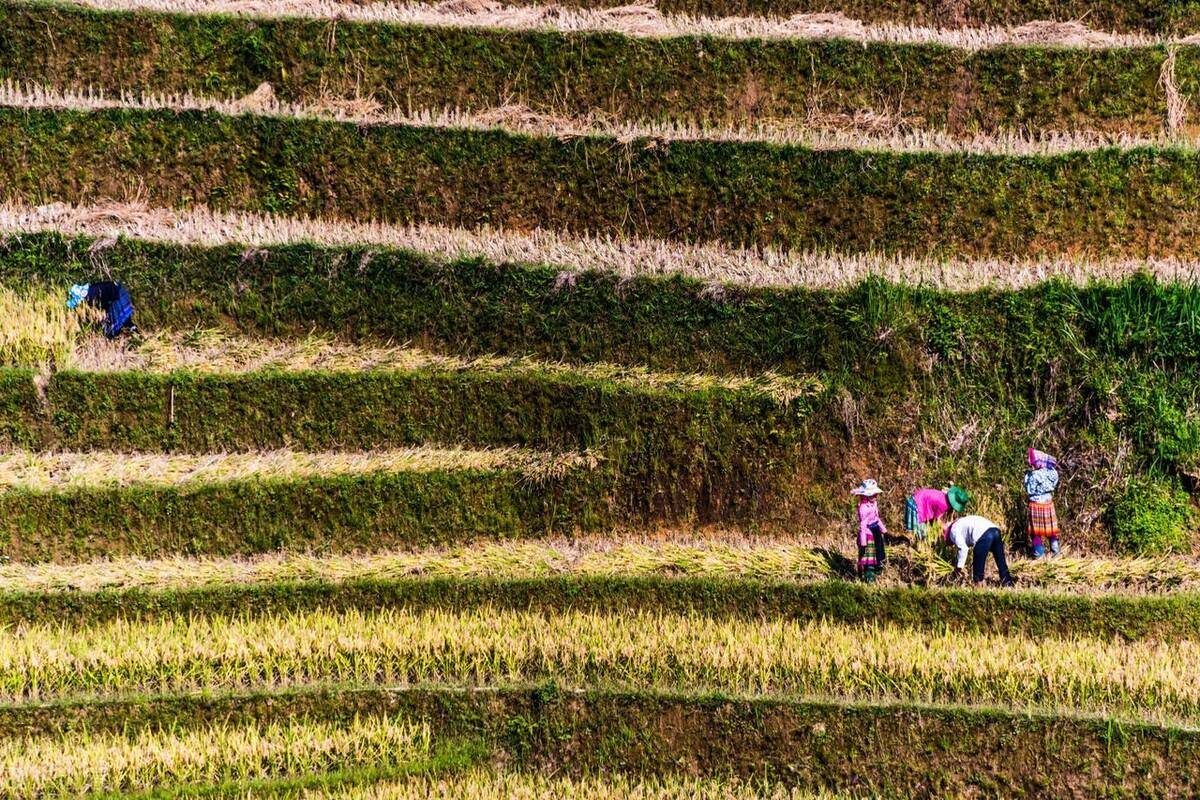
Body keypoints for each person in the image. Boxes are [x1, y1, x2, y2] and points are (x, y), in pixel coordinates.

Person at [944, 514, 1015, 586]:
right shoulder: (960, 523)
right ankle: (1008, 583)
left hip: (984, 534)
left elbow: (963, 548)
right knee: (1001, 561)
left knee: (978, 566)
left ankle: (979, 588)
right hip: (995, 530)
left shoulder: (953, 531)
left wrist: (958, 568)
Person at [67, 281, 137, 338]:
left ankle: (132, 336)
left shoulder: (90, 296)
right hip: (117, 293)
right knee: (122, 319)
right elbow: (104, 304)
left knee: (118, 322)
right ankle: (134, 334)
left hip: (118, 294)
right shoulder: (90, 292)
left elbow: (103, 305)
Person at [1025, 447, 1060, 558]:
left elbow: (1029, 490)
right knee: (1052, 530)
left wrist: (1028, 476)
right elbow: (1054, 483)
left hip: (1036, 506)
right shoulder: (1052, 472)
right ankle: (1056, 551)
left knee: (1036, 533)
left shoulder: (1032, 475)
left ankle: (1038, 553)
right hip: (1048, 504)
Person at [904, 485, 969, 542]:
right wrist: (947, 528)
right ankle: (915, 546)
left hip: (916, 498)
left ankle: (914, 544)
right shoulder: (944, 504)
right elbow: (937, 520)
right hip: (916, 505)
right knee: (920, 533)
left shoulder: (944, 495)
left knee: (921, 532)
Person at [852, 479, 887, 582]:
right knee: (869, 556)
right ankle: (869, 575)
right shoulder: (863, 508)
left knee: (879, 551)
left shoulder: (874, 503)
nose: (875, 496)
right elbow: (863, 526)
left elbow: (876, 518)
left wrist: (884, 531)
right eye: (872, 494)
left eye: (876, 494)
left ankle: (878, 569)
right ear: (866, 495)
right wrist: (863, 543)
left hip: (875, 530)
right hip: (868, 534)